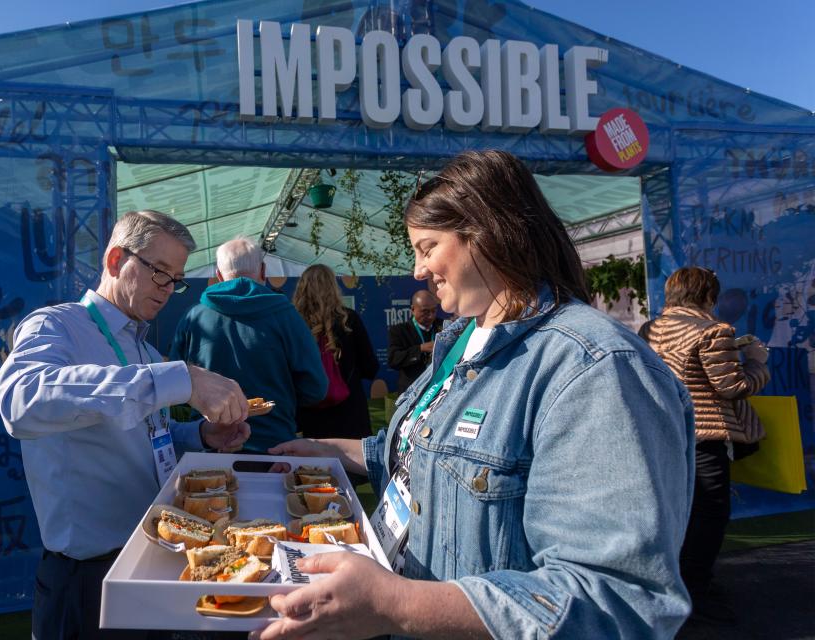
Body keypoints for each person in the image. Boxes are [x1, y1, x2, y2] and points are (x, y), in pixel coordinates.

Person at [258, 150, 695, 640]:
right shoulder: (462, 337)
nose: (418, 270)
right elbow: (426, 462)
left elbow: (613, 601)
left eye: (427, 247)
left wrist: (395, 604)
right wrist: (338, 452)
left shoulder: (597, 370)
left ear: (487, 235)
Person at [0, 210, 251, 640]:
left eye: (176, 278)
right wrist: (181, 378)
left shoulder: (147, 352)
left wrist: (203, 436)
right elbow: (20, 402)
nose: (168, 289)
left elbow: (151, 438)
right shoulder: (57, 326)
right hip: (85, 578)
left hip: (150, 558)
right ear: (115, 260)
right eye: (159, 272)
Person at [639, 266, 770, 625]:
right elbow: (732, 387)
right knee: (710, 512)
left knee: (676, 510)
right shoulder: (714, 330)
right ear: (708, 296)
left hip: (664, 432)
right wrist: (758, 364)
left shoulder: (649, 329)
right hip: (704, 435)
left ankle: (672, 583)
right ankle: (694, 589)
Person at [168, 236, 328, 452]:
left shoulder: (193, 318)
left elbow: (175, 388)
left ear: (217, 274)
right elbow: (316, 388)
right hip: (275, 447)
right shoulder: (287, 317)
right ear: (263, 271)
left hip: (210, 447)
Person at [292, 264, 380, 440]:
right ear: (333, 287)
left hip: (310, 411)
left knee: (315, 466)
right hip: (349, 412)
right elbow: (370, 367)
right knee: (351, 465)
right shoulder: (348, 319)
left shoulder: (294, 323)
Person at [387, 290, 443, 393]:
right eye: (425, 311)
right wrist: (420, 349)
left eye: (434, 311)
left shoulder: (444, 326)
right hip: (411, 390)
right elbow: (393, 360)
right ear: (413, 309)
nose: (431, 316)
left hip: (439, 387)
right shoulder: (399, 330)